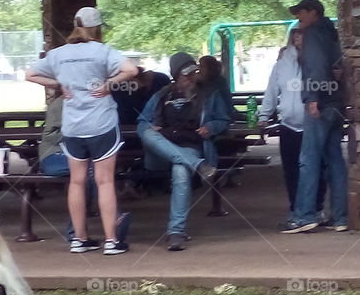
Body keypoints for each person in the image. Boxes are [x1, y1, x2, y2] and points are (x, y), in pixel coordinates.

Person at [26, 7, 139, 255]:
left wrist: (57, 83)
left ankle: (79, 239)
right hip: (101, 123)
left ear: (76, 25)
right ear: (96, 27)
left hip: (73, 125)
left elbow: (30, 74)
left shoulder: (58, 54)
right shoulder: (103, 51)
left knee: (76, 182)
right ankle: (111, 241)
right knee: (104, 181)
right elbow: (131, 70)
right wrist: (109, 84)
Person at [138, 53, 230, 251]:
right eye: (186, 74)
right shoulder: (162, 95)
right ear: (176, 76)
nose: (191, 77)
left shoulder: (210, 94)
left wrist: (211, 127)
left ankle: (176, 232)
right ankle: (198, 166)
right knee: (147, 133)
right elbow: (142, 122)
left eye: (193, 72)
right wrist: (150, 126)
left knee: (180, 170)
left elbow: (224, 119)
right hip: (161, 150)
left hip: (191, 145)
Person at [280, 0, 348, 234]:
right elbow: (338, 66)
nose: (298, 18)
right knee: (335, 159)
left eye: (301, 12)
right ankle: (340, 217)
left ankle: (305, 215)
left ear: (313, 12)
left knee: (308, 159)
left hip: (321, 103)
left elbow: (316, 67)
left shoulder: (312, 34)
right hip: (337, 102)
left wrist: (312, 98)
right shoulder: (333, 33)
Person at [38, 93, 130, 244]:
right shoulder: (62, 103)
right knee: (89, 172)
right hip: (54, 156)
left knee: (90, 173)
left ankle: (79, 236)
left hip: (78, 155)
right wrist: (82, 134)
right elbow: (50, 135)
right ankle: (89, 230)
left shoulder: (92, 102)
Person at [257, 28, 326, 223]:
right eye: (294, 33)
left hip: (311, 123)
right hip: (288, 124)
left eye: (301, 33)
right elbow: (272, 91)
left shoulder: (317, 60)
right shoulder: (281, 64)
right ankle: (296, 208)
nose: (297, 37)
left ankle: (316, 208)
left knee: (315, 168)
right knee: (291, 170)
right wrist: (264, 114)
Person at [198, 55, 242, 121]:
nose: (199, 70)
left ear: (210, 68)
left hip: (219, 118)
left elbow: (226, 106)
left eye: (201, 66)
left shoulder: (218, 82)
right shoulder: (199, 82)